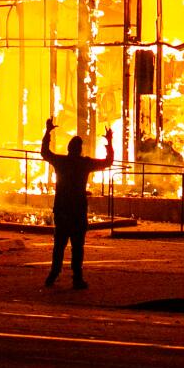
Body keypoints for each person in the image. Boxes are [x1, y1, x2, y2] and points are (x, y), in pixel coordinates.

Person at [41, 118, 114, 288]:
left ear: (68, 149)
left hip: (62, 209)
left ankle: (53, 274)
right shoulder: (84, 163)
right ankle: (77, 278)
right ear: (80, 149)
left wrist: (47, 132)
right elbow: (108, 162)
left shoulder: (61, 161)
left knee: (59, 244)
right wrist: (109, 143)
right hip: (77, 210)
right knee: (77, 246)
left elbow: (45, 153)